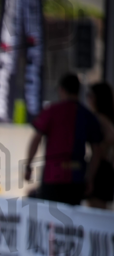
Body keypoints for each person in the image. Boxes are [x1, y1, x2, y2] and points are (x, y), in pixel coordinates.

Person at [25, 72, 104, 206]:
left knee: (49, 217)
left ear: (61, 90)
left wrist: (28, 166)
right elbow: (97, 151)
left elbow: (36, 139)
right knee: (70, 222)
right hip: (76, 178)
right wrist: (90, 177)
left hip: (52, 175)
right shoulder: (87, 115)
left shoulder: (51, 111)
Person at [85, 81, 114, 208]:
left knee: (95, 212)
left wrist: (100, 150)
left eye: (90, 95)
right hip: (105, 168)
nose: (87, 99)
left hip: (100, 169)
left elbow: (109, 138)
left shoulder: (98, 119)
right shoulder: (107, 118)